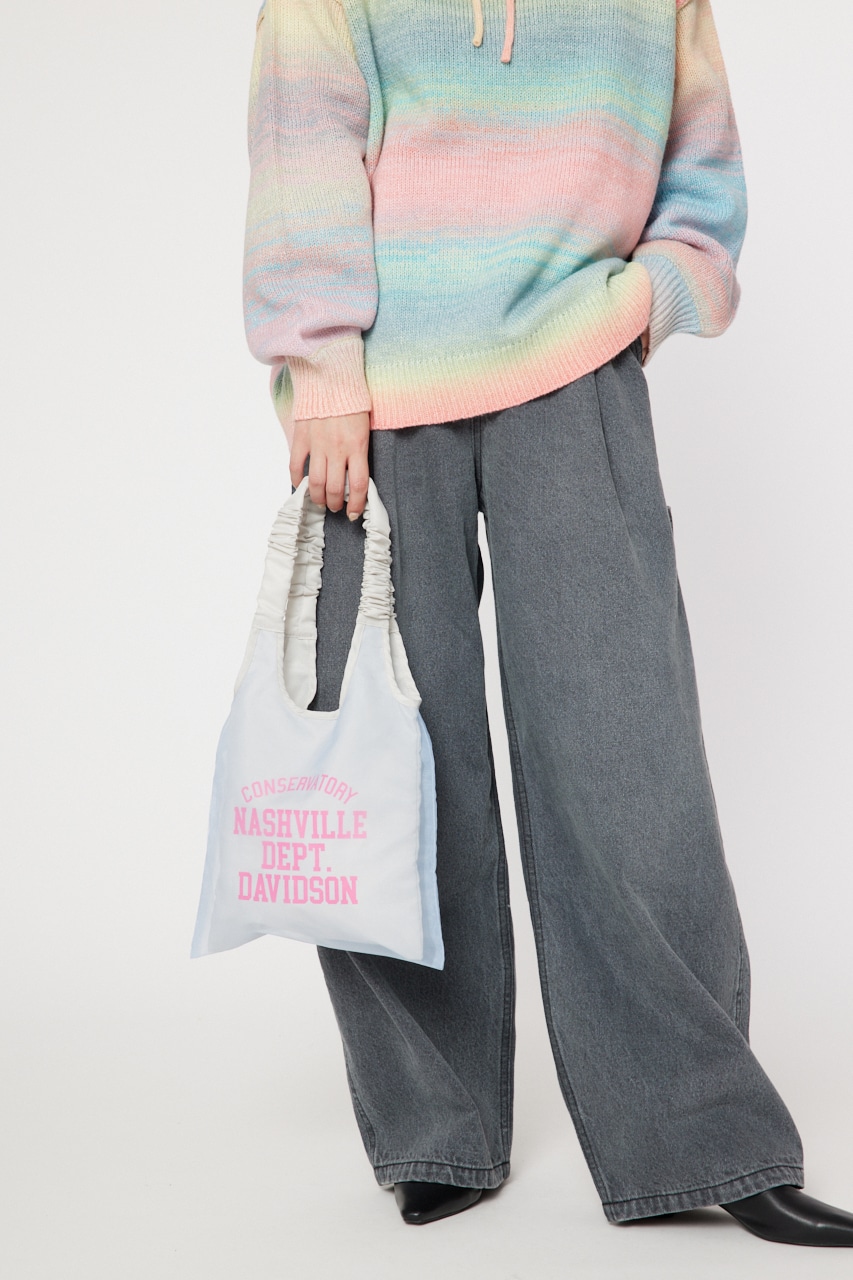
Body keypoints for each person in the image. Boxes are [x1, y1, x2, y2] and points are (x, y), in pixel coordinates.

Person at [241, 0, 853, 1245]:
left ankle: (699, 1135)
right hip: (374, 395)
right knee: (393, 766)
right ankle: (435, 1125)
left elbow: (701, 164)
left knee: (629, 753)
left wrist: (649, 300)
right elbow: (304, 128)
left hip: (577, 369)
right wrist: (320, 368)